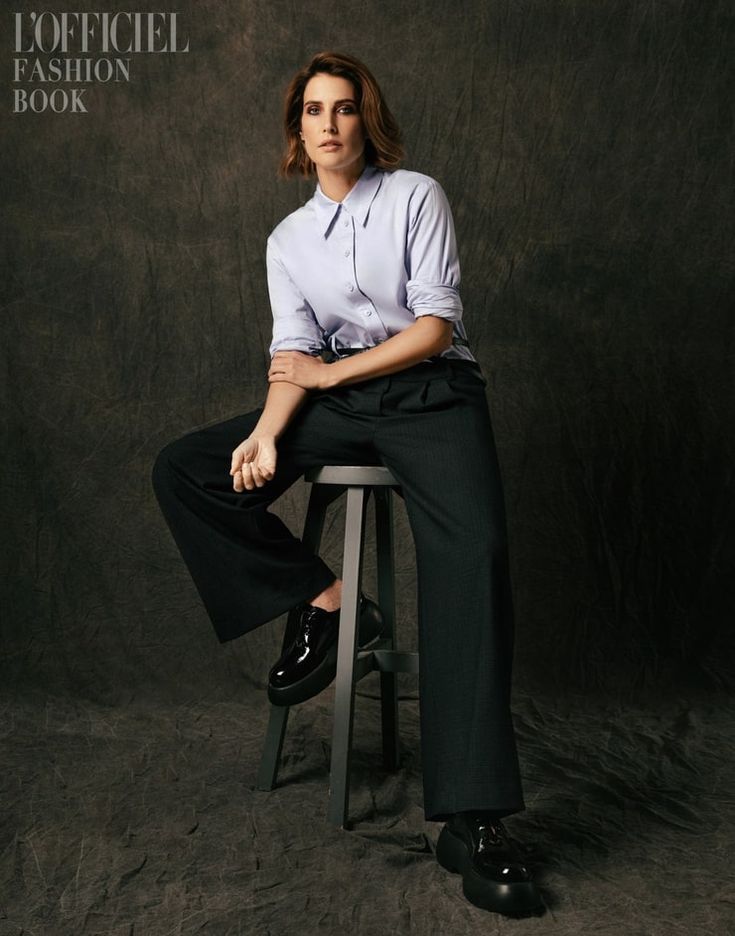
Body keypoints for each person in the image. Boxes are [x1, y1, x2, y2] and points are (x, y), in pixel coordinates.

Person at [152, 51, 544, 918]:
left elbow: (436, 326)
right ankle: (329, 603)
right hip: (338, 394)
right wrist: (264, 431)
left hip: (430, 393)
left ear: (366, 120)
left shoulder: (415, 195)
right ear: (297, 129)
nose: (328, 123)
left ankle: (472, 821)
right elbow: (291, 357)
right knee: (187, 469)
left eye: (343, 108)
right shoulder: (286, 241)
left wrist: (330, 378)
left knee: (473, 554)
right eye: (312, 110)